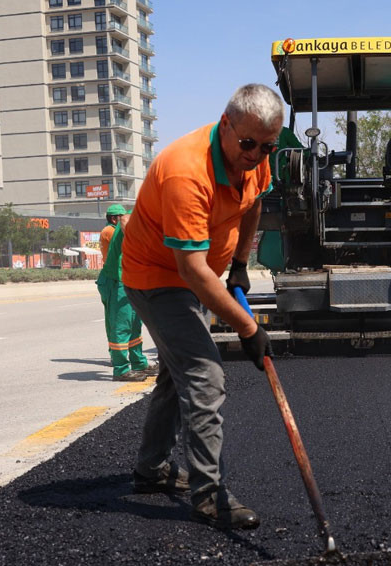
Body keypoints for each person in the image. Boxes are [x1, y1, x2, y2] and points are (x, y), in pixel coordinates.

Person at [119, 84, 282, 530]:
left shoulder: (258, 161)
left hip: (201, 274)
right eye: (248, 144)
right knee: (205, 377)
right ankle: (210, 497)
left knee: (177, 374)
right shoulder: (185, 172)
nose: (256, 155)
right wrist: (248, 328)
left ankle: (151, 470)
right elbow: (190, 271)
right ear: (225, 125)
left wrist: (241, 265)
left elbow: (254, 202)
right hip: (156, 277)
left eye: (268, 146)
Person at [96, 204, 154, 381]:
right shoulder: (126, 221)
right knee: (121, 325)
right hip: (116, 281)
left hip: (131, 279)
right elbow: (125, 220)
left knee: (134, 323)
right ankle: (121, 369)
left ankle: (138, 362)